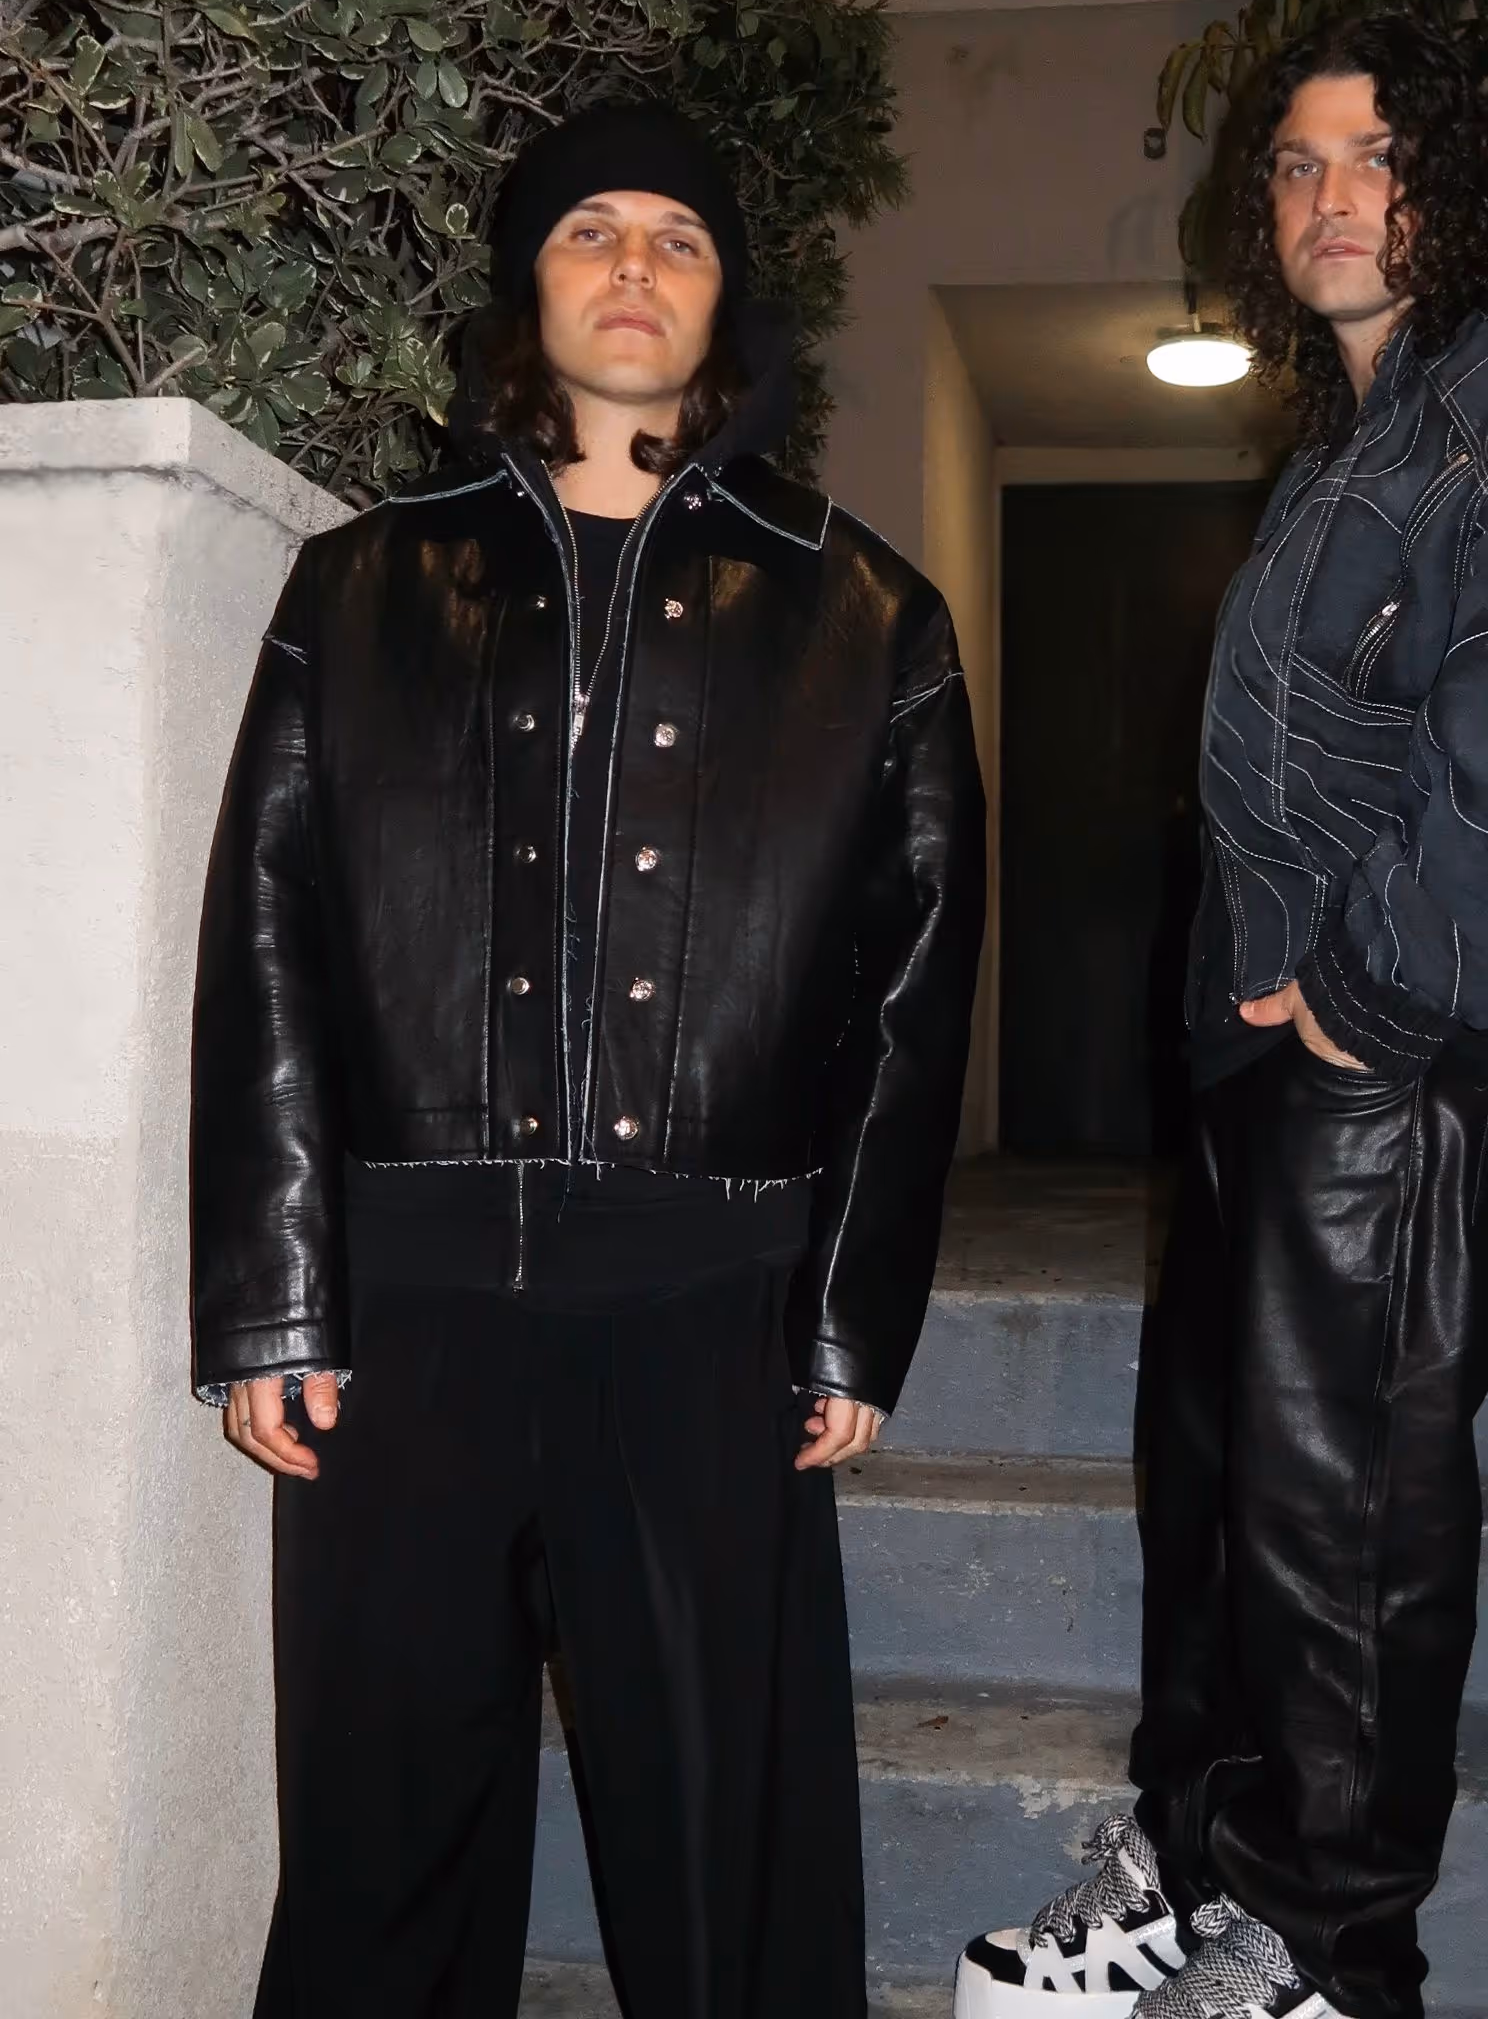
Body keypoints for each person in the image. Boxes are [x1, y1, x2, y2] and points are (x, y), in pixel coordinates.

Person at [190, 100, 986, 2019]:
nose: (634, 265)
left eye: (678, 238)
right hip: (411, 1316)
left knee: (730, 1865)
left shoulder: (867, 614)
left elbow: (914, 986)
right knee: (382, 1852)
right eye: (589, 231)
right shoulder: (361, 589)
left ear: (729, 305)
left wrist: (848, 1317)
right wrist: (278, 1300)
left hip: (711, 1310)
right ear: (525, 289)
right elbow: (271, 939)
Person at [955, 11, 1488, 2019]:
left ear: (1452, 186)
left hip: (1411, 1047)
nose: (1329, 196)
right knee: (1223, 1489)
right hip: (1280, 1058)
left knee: (1340, 1512)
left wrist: (1370, 993)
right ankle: (1193, 1866)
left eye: (1374, 157)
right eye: (1294, 164)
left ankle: (1325, 1954)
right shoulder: (1343, 456)